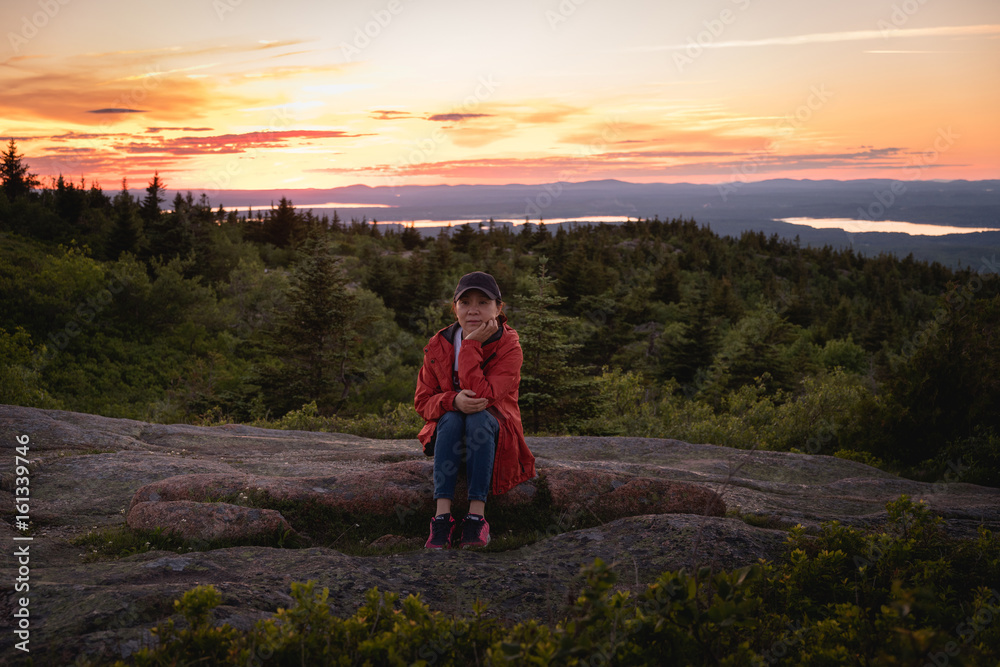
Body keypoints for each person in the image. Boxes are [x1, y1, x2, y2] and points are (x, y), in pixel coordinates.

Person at [414, 271, 536, 549]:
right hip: (450, 434)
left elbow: (483, 397)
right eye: (465, 302)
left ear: (498, 308)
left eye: (483, 302)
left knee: (479, 416)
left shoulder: (509, 346)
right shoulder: (439, 344)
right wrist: (452, 401)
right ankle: (442, 517)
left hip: (493, 434)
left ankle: (476, 517)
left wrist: (470, 346)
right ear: (454, 307)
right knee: (452, 418)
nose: (473, 310)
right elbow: (423, 402)